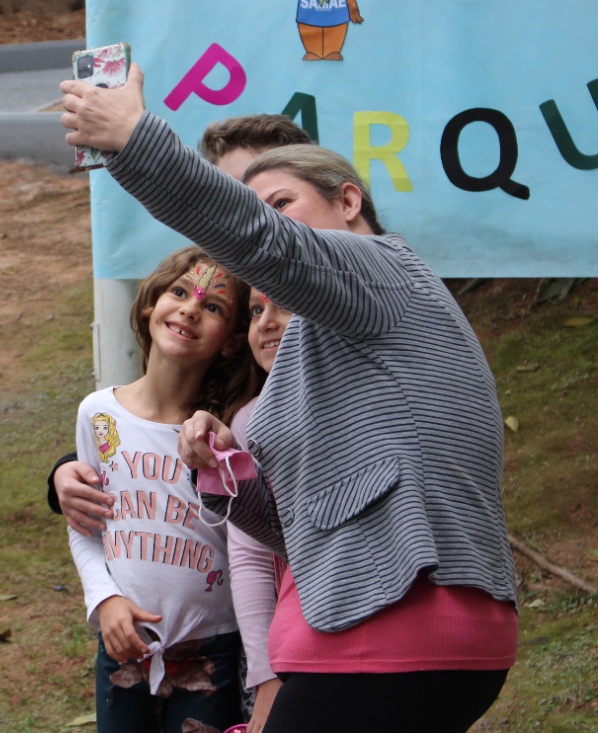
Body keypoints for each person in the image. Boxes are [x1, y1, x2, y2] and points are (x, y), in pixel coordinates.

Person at [60, 65, 519, 733]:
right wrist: (222, 471)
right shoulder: (321, 341)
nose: (262, 227)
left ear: (348, 202)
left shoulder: (378, 269)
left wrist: (133, 138)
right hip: (357, 630)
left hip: (396, 627)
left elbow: (259, 240)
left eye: (279, 201)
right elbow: (301, 533)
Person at [47, 113, 314, 533]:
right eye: (232, 196)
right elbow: (146, 426)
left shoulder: (335, 303)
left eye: (273, 201)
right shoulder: (210, 284)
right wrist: (70, 472)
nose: (249, 216)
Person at [67, 245, 255, 733]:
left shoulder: (226, 432)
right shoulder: (98, 414)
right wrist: (103, 600)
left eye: (213, 307)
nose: (191, 307)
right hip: (125, 642)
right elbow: (85, 525)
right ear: (151, 304)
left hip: (215, 645)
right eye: (179, 291)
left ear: (232, 342)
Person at [225, 289, 293, 733]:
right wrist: (265, 675)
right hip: (290, 638)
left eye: (282, 304)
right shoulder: (247, 422)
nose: (265, 321)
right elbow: (249, 555)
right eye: (255, 310)